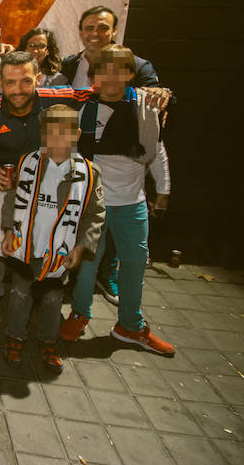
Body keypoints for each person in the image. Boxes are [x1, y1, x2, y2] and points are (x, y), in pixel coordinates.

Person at [59, 46, 175, 356]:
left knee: (135, 265)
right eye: (103, 71)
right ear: (94, 76)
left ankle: (130, 326)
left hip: (132, 202)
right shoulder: (83, 107)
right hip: (92, 202)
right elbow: (69, 154)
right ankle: (79, 314)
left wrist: (163, 191)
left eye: (118, 71)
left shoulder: (144, 106)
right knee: (86, 266)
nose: (110, 78)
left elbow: (156, 153)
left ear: (130, 75)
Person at [0, 52, 92, 322]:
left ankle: (41, 292)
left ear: (38, 78)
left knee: (46, 240)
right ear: (0, 83)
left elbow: (96, 92)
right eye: (10, 83)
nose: (18, 90)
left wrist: (148, 91)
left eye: (25, 81)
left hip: (51, 187)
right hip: (8, 189)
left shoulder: (57, 98)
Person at [0, 104, 105, 372]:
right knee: (20, 294)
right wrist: (9, 228)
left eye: (64, 133)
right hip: (27, 245)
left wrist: (82, 247)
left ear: (77, 134)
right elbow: (13, 197)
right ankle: (15, 335)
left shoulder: (88, 173)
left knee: (52, 299)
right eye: (50, 133)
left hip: (60, 250)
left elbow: (95, 215)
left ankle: (48, 339)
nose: (56, 139)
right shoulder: (28, 162)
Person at [59, 6, 159, 88]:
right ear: (81, 33)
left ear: (114, 30)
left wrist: (161, 94)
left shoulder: (138, 66)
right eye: (89, 28)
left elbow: (160, 102)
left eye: (103, 28)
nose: (95, 33)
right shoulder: (67, 65)